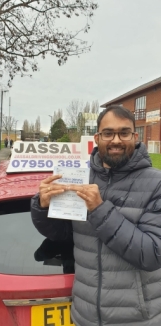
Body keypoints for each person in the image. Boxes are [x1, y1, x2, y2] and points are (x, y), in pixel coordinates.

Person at [31, 105, 161, 326]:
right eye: (108, 133)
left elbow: (153, 254)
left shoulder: (156, 183)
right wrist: (42, 207)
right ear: (97, 138)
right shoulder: (80, 177)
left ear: (135, 136)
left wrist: (100, 210)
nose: (116, 140)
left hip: (137, 319)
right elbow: (61, 234)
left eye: (124, 132)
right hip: (85, 316)